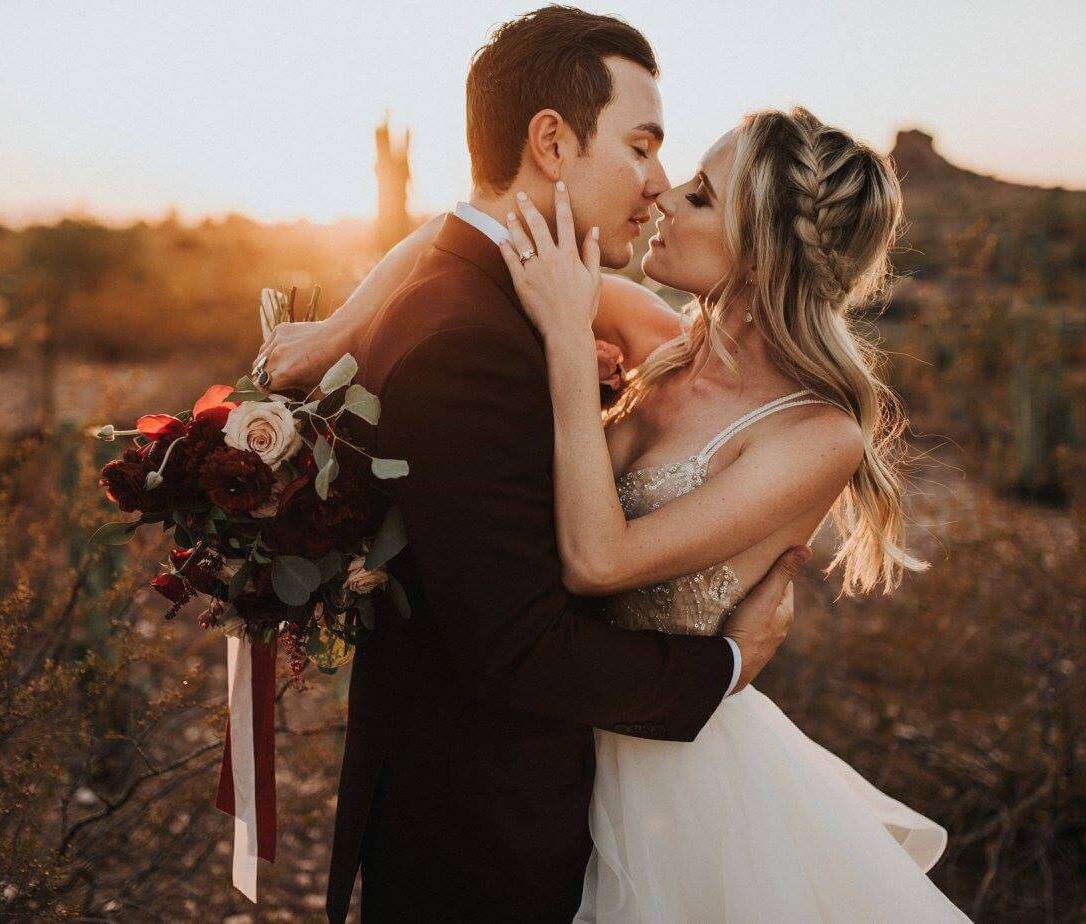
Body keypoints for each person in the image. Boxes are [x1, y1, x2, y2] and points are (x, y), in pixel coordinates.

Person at [256, 8, 969, 922]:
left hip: (673, 771)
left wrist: (563, 347)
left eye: (701, 196)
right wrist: (340, 333)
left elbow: (597, 562)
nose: (664, 195)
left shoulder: (815, 436)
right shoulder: (655, 333)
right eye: (657, 161)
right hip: (560, 737)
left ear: (762, 250)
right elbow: (463, 232)